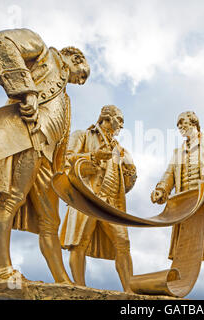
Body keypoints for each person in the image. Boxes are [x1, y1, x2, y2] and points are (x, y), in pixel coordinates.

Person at [0, 28, 90, 284]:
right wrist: (26, 91)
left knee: (51, 221)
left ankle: (63, 282)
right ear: (75, 57)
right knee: (8, 200)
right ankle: (4, 271)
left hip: (49, 157)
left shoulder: (66, 98)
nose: (79, 81)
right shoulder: (42, 51)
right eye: (82, 75)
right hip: (27, 137)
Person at [151, 111, 204, 299]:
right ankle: (177, 291)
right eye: (178, 126)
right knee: (182, 253)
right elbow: (168, 175)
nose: (181, 129)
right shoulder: (177, 153)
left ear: (195, 124)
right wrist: (161, 190)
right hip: (183, 207)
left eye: (184, 124)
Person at [60, 105, 136, 292]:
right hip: (86, 197)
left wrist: (131, 173)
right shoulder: (83, 135)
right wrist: (92, 156)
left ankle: (130, 291)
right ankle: (80, 288)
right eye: (120, 120)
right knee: (79, 242)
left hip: (111, 203)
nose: (122, 125)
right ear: (107, 118)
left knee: (123, 244)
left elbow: (125, 181)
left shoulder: (120, 149)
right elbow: (65, 158)